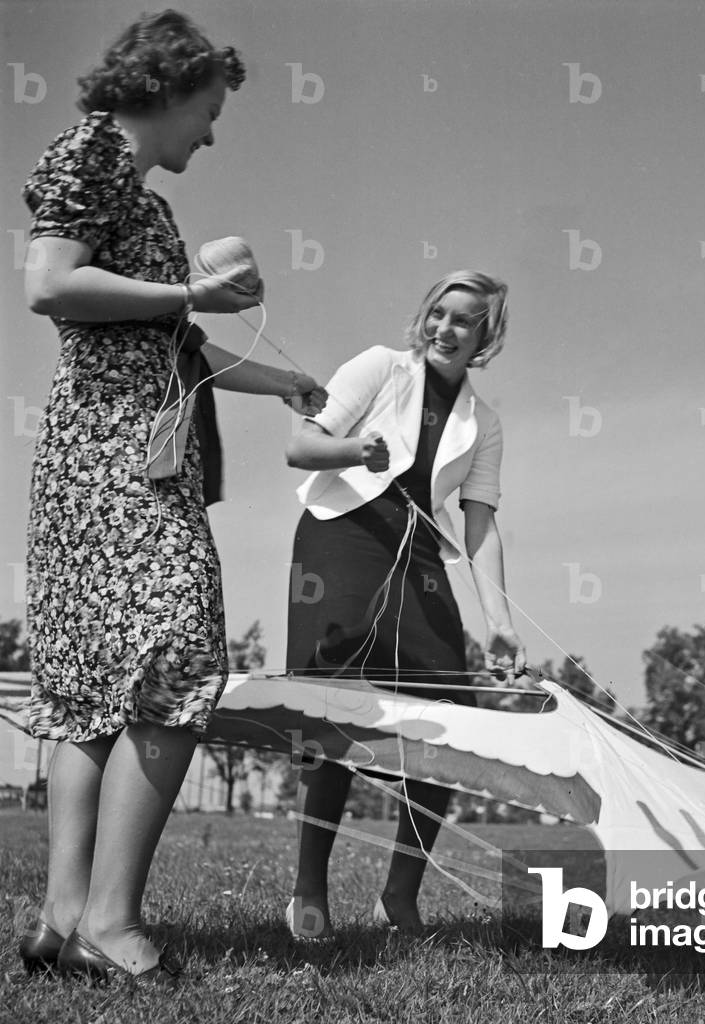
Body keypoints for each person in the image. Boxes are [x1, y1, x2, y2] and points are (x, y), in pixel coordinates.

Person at [17, 10, 325, 983]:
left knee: (96, 683)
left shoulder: (143, 204)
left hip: (106, 452)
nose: (213, 131)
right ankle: (110, 916)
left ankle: (65, 917)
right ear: (170, 86)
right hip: (111, 454)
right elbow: (49, 283)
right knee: (181, 655)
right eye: (210, 108)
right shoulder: (95, 153)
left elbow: (176, 345)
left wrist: (286, 383)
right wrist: (194, 295)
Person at [284, 270, 526, 937]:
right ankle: (309, 893)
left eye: (464, 320)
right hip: (341, 537)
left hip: (417, 555)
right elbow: (299, 445)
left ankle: (399, 896)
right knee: (332, 709)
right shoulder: (378, 368)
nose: (445, 329)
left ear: (486, 336)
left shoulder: (486, 424)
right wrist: (354, 449)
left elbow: (480, 525)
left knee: (452, 714)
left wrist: (499, 623)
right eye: (438, 314)